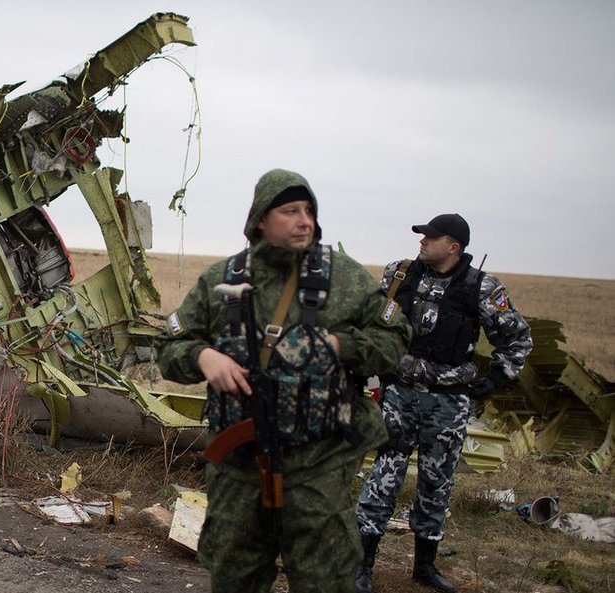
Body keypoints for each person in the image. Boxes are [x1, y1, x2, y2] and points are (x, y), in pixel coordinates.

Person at [156, 169, 411, 593]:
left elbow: (396, 337)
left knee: (324, 578)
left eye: (309, 210)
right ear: (260, 219)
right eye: (290, 211)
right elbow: (169, 346)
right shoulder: (221, 281)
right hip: (239, 463)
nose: (304, 220)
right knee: (236, 573)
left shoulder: (342, 278)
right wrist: (203, 356)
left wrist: (338, 343)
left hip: (319, 462)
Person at [354, 213, 532, 593]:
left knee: (436, 484)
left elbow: (517, 338)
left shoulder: (480, 288)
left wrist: (495, 380)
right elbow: (370, 325)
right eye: (422, 235)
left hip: (448, 404)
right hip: (398, 395)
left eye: (431, 237)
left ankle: (424, 569)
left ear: (454, 247)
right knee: (383, 478)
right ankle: (362, 566)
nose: (422, 241)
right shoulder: (398, 275)